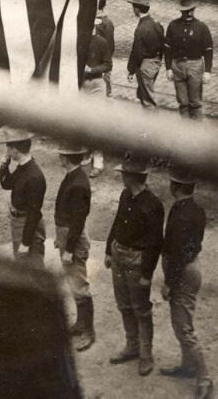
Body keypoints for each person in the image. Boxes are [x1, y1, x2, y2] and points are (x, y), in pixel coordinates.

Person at [106, 153, 164, 377]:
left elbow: (155, 242)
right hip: (119, 254)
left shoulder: (153, 205)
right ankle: (132, 346)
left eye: (124, 174)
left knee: (141, 308)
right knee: (123, 305)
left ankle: (146, 354)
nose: (122, 177)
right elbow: (118, 221)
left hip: (137, 260)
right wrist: (108, 250)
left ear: (133, 176)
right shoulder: (125, 195)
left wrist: (147, 274)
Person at [160, 168, 212, 397]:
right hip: (190, 268)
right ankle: (187, 366)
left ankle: (205, 379)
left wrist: (169, 283)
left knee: (184, 328)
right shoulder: (195, 209)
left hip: (182, 273)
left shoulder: (180, 213)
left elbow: (180, 255)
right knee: (181, 323)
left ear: (175, 187)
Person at [55, 143, 95, 351]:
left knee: (80, 285)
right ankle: (81, 323)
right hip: (67, 235)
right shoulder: (74, 176)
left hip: (73, 239)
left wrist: (69, 249)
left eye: (62, 154)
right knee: (74, 283)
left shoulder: (78, 182)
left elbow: (78, 221)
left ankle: (88, 331)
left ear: (67, 158)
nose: (60, 156)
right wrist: (59, 238)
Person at [0, 129, 46, 267]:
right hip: (19, 221)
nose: (6, 151)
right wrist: (4, 165)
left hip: (27, 223)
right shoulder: (23, 167)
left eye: (8, 147)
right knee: (22, 264)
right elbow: (6, 184)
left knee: (33, 266)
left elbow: (34, 212)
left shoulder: (33, 176)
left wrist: (25, 242)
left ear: (14, 150)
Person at [164, 0, 213, 119]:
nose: (186, 13)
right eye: (183, 11)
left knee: (195, 103)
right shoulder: (173, 25)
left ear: (193, 10)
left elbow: (208, 50)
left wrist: (207, 71)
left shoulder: (201, 27)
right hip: (177, 66)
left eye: (188, 11)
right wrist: (168, 68)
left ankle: (195, 131)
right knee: (182, 102)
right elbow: (168, 48)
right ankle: (185, 129)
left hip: (195, 65)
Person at [81, 16, 112, 175]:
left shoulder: (101, 42)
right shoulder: (78, 42)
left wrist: (92, 70)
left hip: (96, 85)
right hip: (82, 85)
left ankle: (98, 158)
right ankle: (87, 151)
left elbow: (108, 64)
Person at [127, 0, 165, 109]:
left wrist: (131, 70)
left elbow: (137, 52)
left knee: (148, 100)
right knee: (145, 93)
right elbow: (163, 45)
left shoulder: (141, 28)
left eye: (133, 7)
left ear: (137, 9)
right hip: (156, 62)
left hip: (145, 65)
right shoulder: (157, 23)